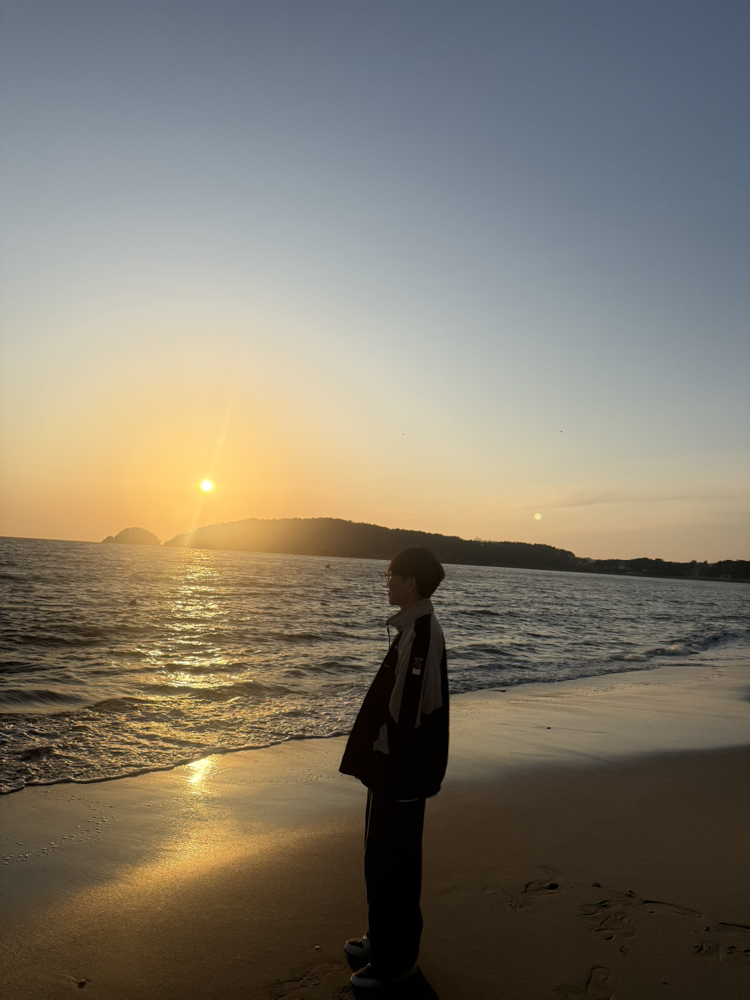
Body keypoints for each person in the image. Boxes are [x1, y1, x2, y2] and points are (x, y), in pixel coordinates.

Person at [339, 547, 449, 989]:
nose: (385, 582)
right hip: (394, 767)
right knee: (379, 857)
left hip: (401, 770)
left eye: (389, 576)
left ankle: (396, 960)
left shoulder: (421, 633)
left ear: (409, 581)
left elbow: (408, 712)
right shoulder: (412, 629)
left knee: (393, 862)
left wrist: (383, 759)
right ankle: (382, 936)